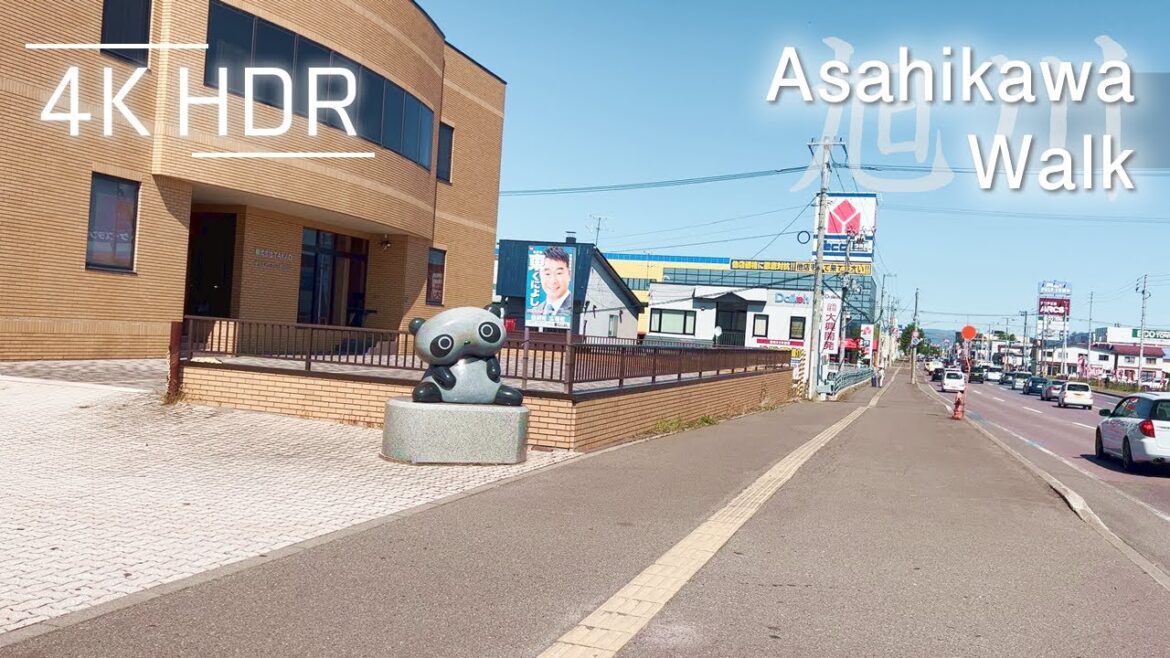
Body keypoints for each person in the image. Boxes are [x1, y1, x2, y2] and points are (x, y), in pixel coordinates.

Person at [528, 246, 573, 325]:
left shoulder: (571, 308)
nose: (553, 281)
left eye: (559, 273)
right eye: (547, 273)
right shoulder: (534, 310)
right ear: (540, 275)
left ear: (569, 274)